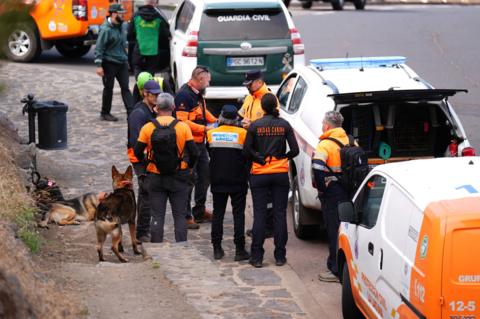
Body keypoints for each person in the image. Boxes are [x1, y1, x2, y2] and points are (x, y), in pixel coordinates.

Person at [243, 93, 299, 268]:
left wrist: (258, 158)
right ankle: (280, 256)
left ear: (262, 107)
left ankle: (257, 256)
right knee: (280, 214)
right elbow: (295, 150)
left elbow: (246, 151)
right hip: (280, 174)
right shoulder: (284, 125)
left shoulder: (255, 126)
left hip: (259, 174)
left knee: (259, 214)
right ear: (275, 105)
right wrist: (283, 157)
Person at [134, 93, 198, 243]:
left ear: (156, 108)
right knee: (179, 215)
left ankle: (157, 247)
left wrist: (147, 164)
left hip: (156, 176)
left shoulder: (147, 128)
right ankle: (181, 247)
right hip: (179, 176)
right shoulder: (183, 127)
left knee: (157, 215)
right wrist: (188, 167)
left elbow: (137, 152)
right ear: (174, 107)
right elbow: (194, 152)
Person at [174, 65, 217, 225]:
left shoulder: (197, 94)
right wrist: (204, 128)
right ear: (200, 79)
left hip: (200, 144)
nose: (209, 84)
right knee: (189, 179)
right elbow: (182, 122)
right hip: (188, 145)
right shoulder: (183, 96)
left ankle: (199, 211)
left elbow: (203, 113)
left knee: (204, 176)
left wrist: (217, 121)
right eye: (208, 81)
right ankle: (185, 216)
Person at [206, 105, 250, 261]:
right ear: (236, 119)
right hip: (238, 180)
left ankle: (217, 249)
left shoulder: (211, 134)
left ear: (221, 117)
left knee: (218, 214)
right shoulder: (243, 134)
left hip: (218, 179)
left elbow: (210, 153)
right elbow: (248, 155)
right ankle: (239, 250)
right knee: (238, 214)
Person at [312, 111, 349, 282]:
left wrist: (321, 190)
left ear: (327, 125)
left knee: (333, 229)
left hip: (331, 191)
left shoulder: (325, 145)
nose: (321, 125)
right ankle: (344, 266)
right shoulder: (349, 139)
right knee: (345, 229)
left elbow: (318, 168)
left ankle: (335, 269)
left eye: (322, 123)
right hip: (346, 189)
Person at [238, 70, 276, 239]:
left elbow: (273, 126)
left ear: (259, 82)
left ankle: (267, 227)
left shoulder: (268, 99)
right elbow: (241, 116)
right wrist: (242, 123)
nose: (247, 88)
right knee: (256, 193)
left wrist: (251, 125)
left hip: (263, 151)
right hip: (250, 150)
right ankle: (261, 226)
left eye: (250, 84)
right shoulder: (250, 97)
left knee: (265, 194)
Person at [127, 80, 162, 242]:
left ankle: (142, 229)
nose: (156, 97)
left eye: (158, 94)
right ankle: (142, 232)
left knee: (145, 193)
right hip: (140, 159)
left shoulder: (150, 111)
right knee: (147, 192)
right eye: (154, 94)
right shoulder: (138, 114)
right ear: (145, 94)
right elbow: (136, 142)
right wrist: (145, 162)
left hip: (148, 158)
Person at [94, 3, 133, 122]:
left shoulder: (122, 26)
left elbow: (125, 42)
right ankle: (105, 113)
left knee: (125, 88)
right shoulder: (105, 30)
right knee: (108, 88)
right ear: (114, 14)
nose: (123, 16)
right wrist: (99, 65)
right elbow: (99, 48)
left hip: (122, 63)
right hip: (109, 63)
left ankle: (131, 112)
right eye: (121, 14)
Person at [127, 0, 171, 78]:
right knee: (151, 70)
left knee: (137, 67)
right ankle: (149, 86)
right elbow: (165, 34)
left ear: (145, 2)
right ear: (154, 3)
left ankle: (140, 84)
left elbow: (130, 33)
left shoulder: (136, 16)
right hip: (153, 49)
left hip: (139, 48)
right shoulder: (158, 17)